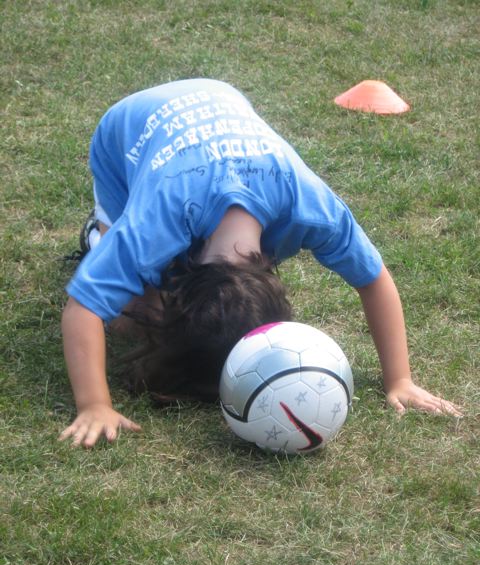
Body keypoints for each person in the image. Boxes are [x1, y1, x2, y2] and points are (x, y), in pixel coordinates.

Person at [59, 78, 461, 448]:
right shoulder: (156, 221)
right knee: (131, 316)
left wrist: (400, 379)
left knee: (142, 303)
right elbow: (83, 307)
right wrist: (94, 403)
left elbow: (374, 279)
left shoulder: (308, 207)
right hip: (127, 130)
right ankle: (100, 235)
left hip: (219, 100)